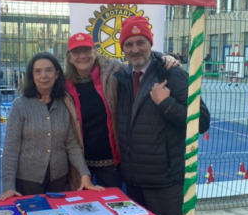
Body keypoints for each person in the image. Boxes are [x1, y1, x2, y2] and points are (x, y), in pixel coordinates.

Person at [114, 16, 210, 215]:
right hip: (133, 182)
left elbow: (201, 122)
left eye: (141, 42)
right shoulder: (123, 79)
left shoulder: (173, 75)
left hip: (165, 184)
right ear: (123, 49)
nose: (135, 49)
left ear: (151, 43)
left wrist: (166, 104)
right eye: (128, 44)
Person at [64, 33, 180, 190]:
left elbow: (140, 63)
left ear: (94, 52)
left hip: (112, 163)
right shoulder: (63, 85)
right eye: (76, 52)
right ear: (70, 58)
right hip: (81, 167)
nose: (82, 56)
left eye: (86, 50)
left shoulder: (114, 70)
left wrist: (164, 57)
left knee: (113, 209)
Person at [0, 52, 104, 201]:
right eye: (38, 71)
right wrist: (8, 187)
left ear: (56, 73)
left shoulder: (65, 103)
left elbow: (72, 145)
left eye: (48, 70)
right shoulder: (20, 105)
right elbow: (11, 148)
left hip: (58, 181)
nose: (44, 76)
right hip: (27, 183)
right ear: (31, 76)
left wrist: (84, 175)